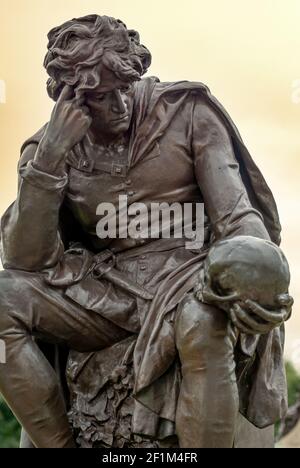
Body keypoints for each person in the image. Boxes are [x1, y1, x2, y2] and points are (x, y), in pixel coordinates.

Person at [0, 15, 293, 448]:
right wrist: (50, 162)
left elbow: (236, 218)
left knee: (203, 320)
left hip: (189, 278)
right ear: (68, 99)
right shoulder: (47, 150)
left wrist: (255, 268)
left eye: (125, 86)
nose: (119, 104)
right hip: (105, 293)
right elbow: (24, 261)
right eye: (100, 96)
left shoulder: (187, 113)